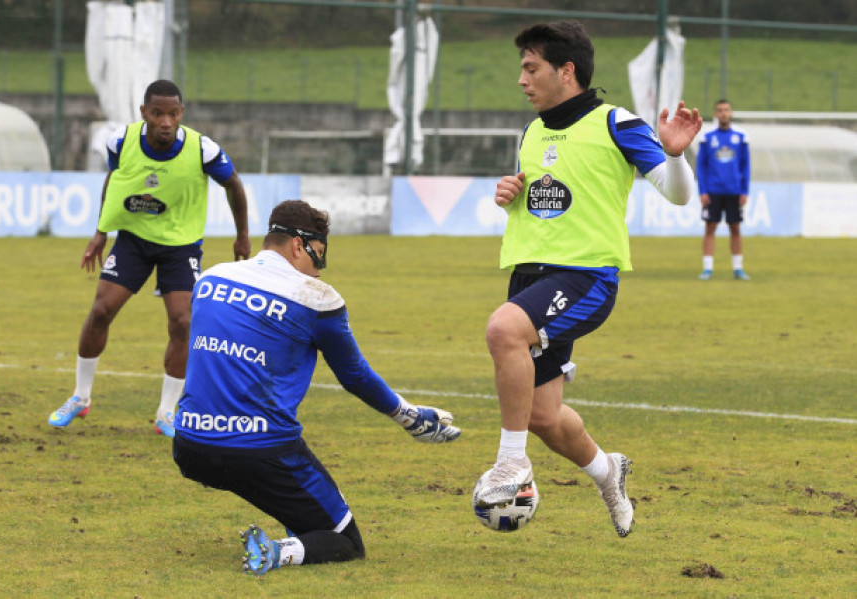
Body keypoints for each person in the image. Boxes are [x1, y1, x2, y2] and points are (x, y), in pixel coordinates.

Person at [472, 21, 702, 538]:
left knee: (503, 331)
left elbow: (679, 195)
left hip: (585, 277)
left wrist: (674, 153)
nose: (522, 80)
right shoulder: (532, 130)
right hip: (531, 276)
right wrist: (512, 192)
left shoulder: (616, 122)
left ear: (566, 70)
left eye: (531, 68)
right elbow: (546, 196)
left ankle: (511, 465)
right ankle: (608, 474)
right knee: (543, 416)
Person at [171, 200, 461, 576]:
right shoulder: (315, 298)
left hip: (189, 445)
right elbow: (354, 376)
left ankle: (298, 522)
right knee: (345, 541)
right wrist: (408, 416)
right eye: (318, 257)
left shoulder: (211, 278)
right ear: (297, 245)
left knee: (292, 501)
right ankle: (276, 552)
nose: (319, 271)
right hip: (258, 452)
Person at [48, 79, 251, 437]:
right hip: (134, 241)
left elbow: (233, 183)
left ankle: (166, 413)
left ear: (181, 113)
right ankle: (80, 398)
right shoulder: (121, 141)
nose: (165, 121)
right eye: (157, 113)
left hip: (181, 246)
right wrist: (100, 231)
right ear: (144, 113)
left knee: (183, 322)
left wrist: (243, 235)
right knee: (100, 311)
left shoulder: (201, 149)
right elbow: (117, 179)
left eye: (172, 113)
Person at [697, 99, 751, 280]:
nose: (723, 113)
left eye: (726, 110)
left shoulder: (741, 137)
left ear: (731, 113)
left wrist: (745, 191)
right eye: (720, 110)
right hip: (713, 190)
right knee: (710, 227)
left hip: (734, 190)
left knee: (735, 228)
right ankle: (707, 268)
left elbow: (745, 166)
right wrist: (702, 191)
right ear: (715, 114)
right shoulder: (707, 137)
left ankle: (738, 268)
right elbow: (701, 167)